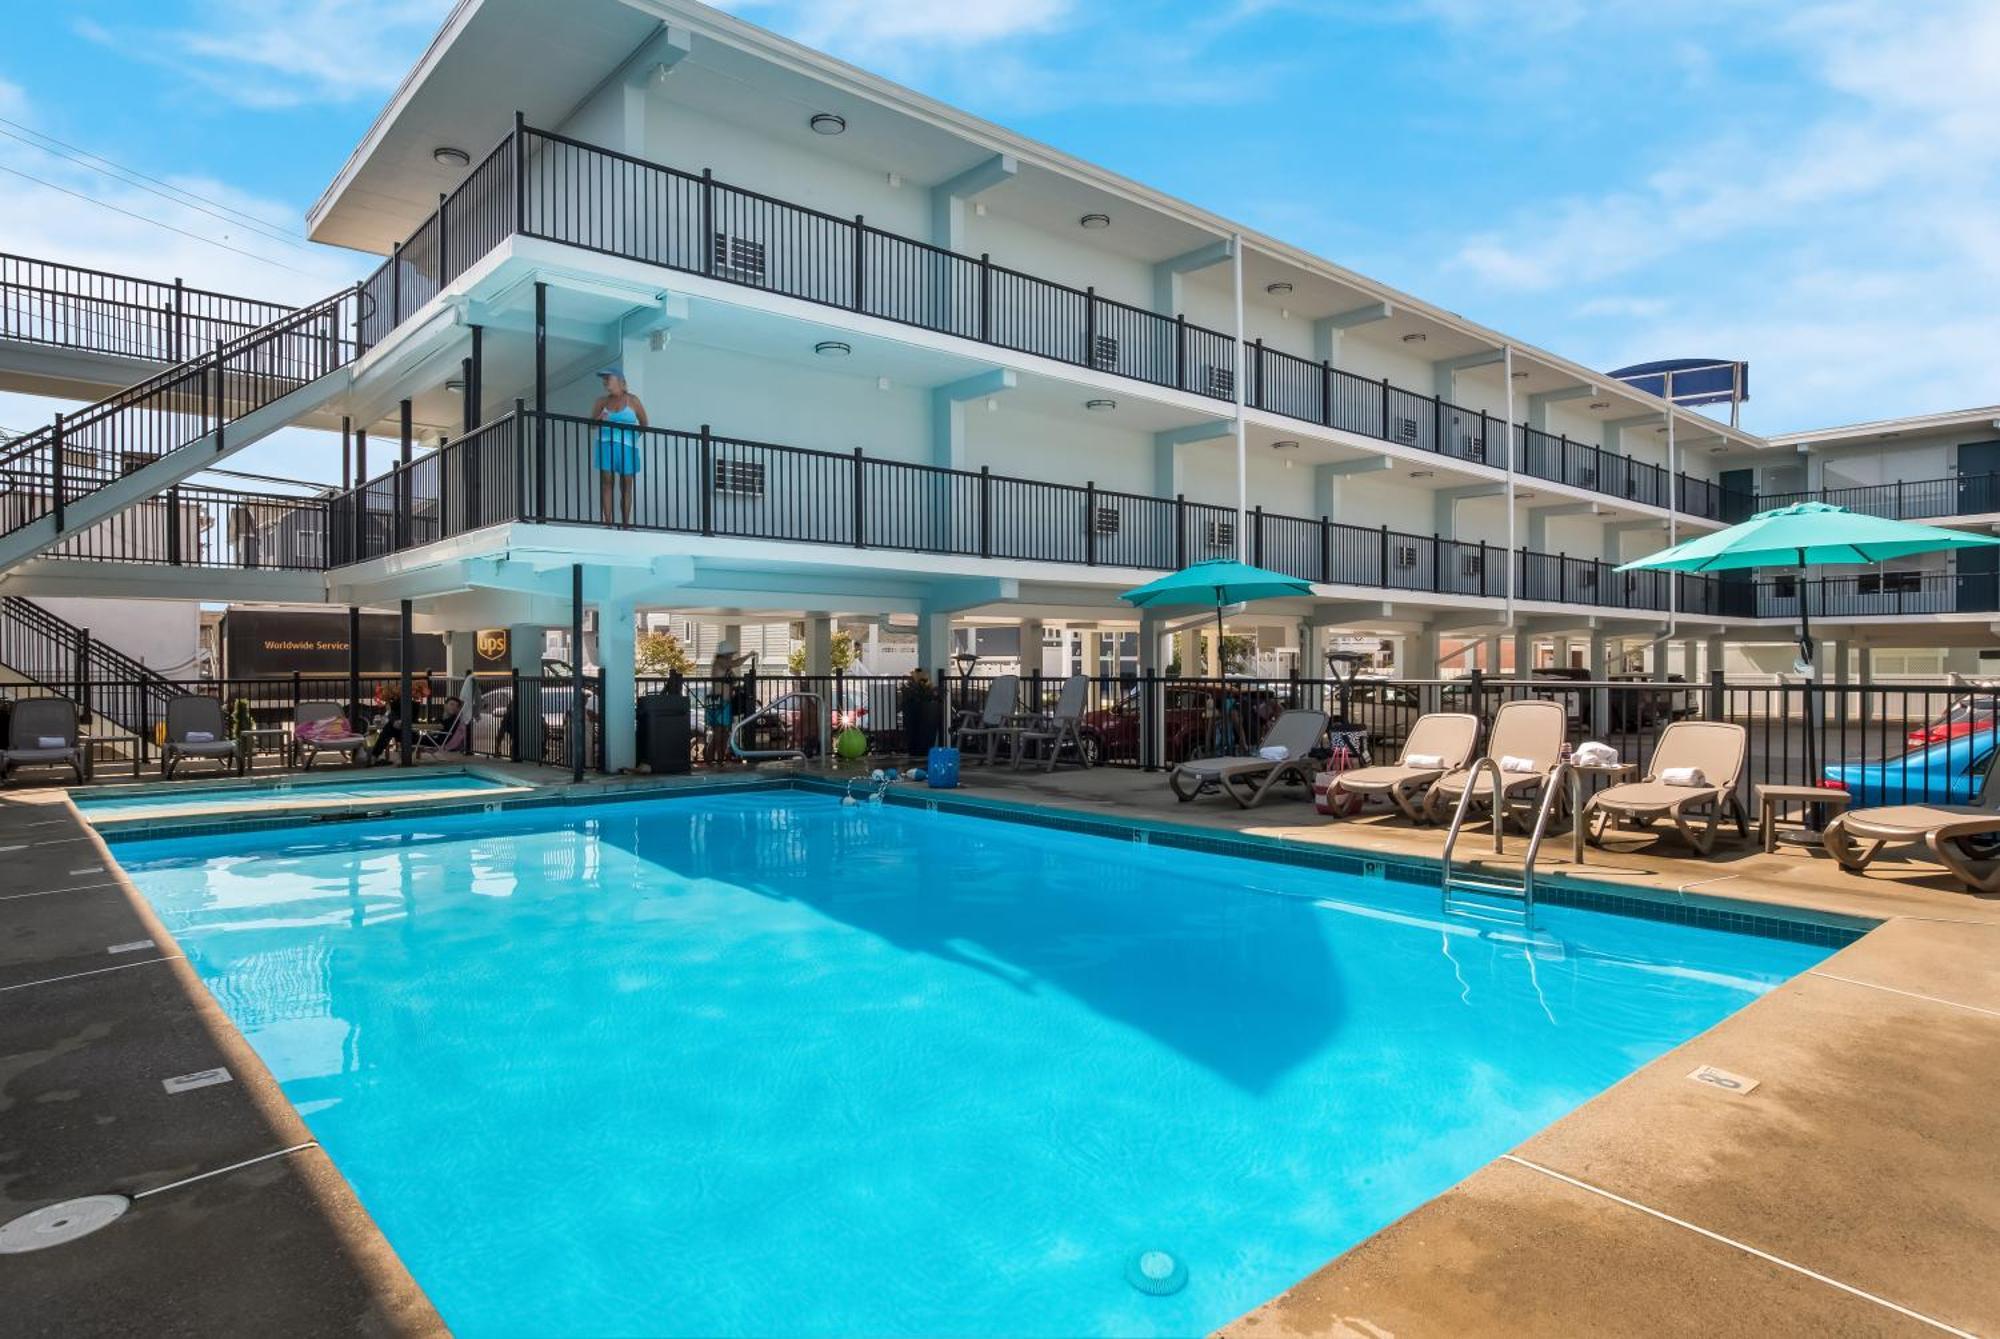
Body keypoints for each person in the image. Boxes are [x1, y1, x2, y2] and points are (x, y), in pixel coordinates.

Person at [590, 367, 648, 527]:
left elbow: (644, 424)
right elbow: (592, 426)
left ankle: (625, 524)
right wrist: (598, 419)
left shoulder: (633, 400)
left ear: (619, 380)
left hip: (627, 447)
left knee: (626, 483)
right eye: (604, 379)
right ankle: (607, 522)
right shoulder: (601, 402)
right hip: (605, 445)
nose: (605, 381)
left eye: (608, 378)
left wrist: (633, 437)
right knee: (607, 482)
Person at [704, 639, 752, 767]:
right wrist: (749, 655)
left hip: (723, 702)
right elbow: (737, 663)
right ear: (725, 654)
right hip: (718, 702)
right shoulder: (720, 662)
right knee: (719, 732)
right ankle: (712, 760)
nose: (731, 655)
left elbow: (732, 680)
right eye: (730, 653)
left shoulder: (724, 665)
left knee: (723, 732)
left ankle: (718, 760)